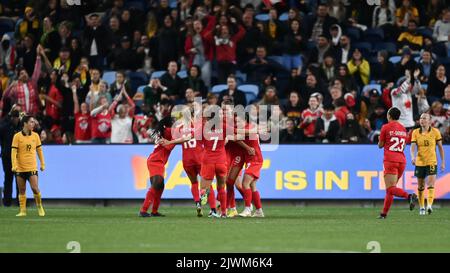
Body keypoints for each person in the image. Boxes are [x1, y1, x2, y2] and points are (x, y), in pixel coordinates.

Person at [377, 107, 418, 219]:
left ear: (389, 115)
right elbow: (403, 146)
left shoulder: (385, 127)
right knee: (391, 189)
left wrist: (380, 140)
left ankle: (409, 196)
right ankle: (384, 214)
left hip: (390, 160)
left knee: (390, 189)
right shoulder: (403, 129)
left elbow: (380, 145)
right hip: (401, 160)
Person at [139, 116, 176, 217]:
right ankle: (143, 210)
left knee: (160, 186)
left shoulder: (164, 131)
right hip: (156, 161)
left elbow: (151, 131)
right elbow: (169, 146)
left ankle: (154, 211)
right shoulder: (169, 131)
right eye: (174, 122)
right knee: (156, 184)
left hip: (156, 160)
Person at [410, 113, 445, 215]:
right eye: (421, 118)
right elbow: (412, 146)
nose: (422, 120)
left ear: (430, 121)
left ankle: (429, 205)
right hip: (420, 162)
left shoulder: (435, 132)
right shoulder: (415, 132)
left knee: (430, 184)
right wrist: (413, 157)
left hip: (431, 161)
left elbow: (440, 148)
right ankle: (422, 207)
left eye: (424, 118)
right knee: (420, 186)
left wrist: (442, 162)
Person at [198, 107, 229, 218]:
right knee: (221, 188)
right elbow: (238, 131)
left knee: (205, 187)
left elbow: (192, 138)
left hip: (208, 161)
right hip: (221, 161)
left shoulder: (204, 128)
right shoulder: (224, 127)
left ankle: (204, 195)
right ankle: (224, 213)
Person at [11, 115, 46, 217]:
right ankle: (23, 211)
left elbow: (39, 151)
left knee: (35, 188)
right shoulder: (17, 136)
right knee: (22, 190)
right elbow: (13, 152)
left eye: (33, 122)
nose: (33, 124)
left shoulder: (36, 136)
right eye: (31, 122)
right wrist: (14, 165)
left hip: (32, 167)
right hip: (20, 168)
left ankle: (39, 206)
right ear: (25, 123)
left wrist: (42, 163)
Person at [237, 112, 264, 218]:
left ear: (245, 120)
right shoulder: (249, 128)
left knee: (245, 183)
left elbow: (236, 136)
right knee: (252, 186)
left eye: (238, 121)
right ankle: (259, 211)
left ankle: (248, 209)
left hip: (255, 160)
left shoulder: (250, 128)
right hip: (251, 159)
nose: (236, 123)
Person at [0, 108, 21, 206]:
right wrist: (7, 116)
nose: (15, 119)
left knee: (19, 180)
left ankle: (19, 202)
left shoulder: (21, 127)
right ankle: (7, 202)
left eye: (17, 117)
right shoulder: (6, 126)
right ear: (11, 117)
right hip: (7, 157)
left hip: (18, 157)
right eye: (14, 117)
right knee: (8, 179)